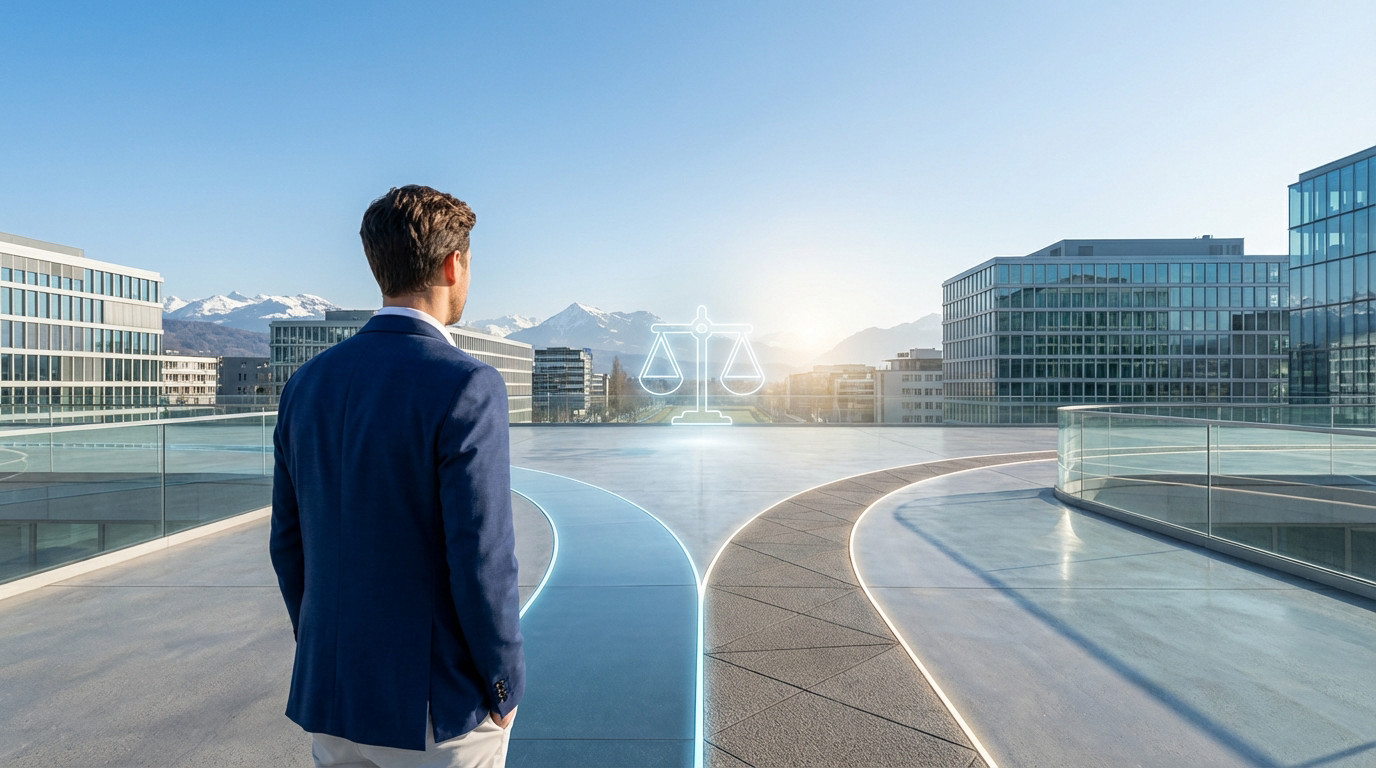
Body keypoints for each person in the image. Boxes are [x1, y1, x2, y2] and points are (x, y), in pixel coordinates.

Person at [270, 185, 524, 768]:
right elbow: (482, 557)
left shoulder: (306, 384)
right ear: (452, 263)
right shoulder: (467, 384)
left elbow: (288, 543)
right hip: (434, 706)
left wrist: (323, 649)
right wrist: (503, 683)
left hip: (332, 692)